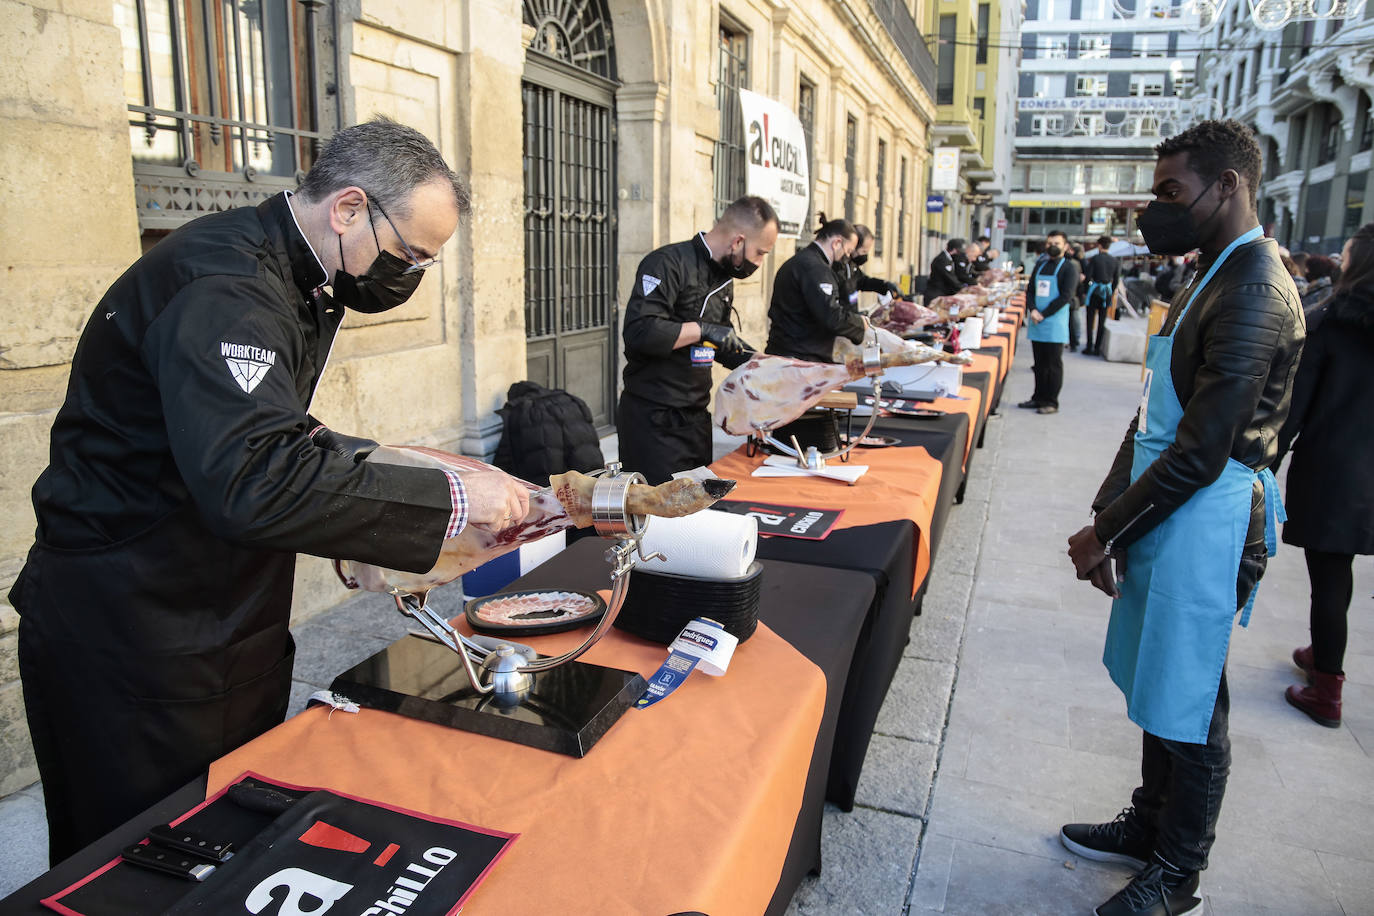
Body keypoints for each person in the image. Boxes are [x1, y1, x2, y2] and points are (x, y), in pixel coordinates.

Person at [12, 117, 535, 863]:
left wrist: (398, 477)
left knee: (225, 838)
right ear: (349, 207)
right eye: (410, 253)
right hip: (133, 624)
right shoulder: (227, 285)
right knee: (138, 858)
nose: (412, 274)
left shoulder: (300, 276)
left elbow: (275, 428)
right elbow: (252, 479)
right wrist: (449, 507)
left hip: (216, 609)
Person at [1064, 119, 1304, 916]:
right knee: (1158, 677)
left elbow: (1201, 451)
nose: (1156, 208)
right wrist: (1109, 505)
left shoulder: (1256, 289)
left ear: (1228, 186)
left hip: (1211, 513)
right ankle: (1149, 821)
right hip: (1169, 506)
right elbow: (1152, 413)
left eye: (1171, 192)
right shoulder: (1208, 273)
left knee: (1195, 696)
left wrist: (1108, 532)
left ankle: (1178, 872)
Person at [1273, 222, 1374, 728]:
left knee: (1330, 579)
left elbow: (1294, 409)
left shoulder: (1333, 323)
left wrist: (1264, 464)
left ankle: (1327, 689)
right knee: (1339, 574)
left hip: (1337, 472)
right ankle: (1322, 654)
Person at [617, 196, 780, 484]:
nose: (759, 262)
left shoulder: (724, 280)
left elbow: (725, 344)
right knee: (659, 519)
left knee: (696, 515)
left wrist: (766, 365)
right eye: (761, 252)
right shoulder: (666, 263)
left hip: (695, 421)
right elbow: (640, 333)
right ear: (738, 241)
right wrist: (703, 329)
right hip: (653, 420)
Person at [766, 216, 864, 363]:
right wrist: (861, 325)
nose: (848, 257)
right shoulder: (815, 268)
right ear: (837, 243)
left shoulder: (807, 262)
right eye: (848, 251)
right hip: (797, 358)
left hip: (793, 352)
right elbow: (831, 315)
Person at [1019, 230, 1079, 414]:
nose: (1052, 245)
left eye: (1057, 243)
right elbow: (1030, 291)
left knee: (1053, 364)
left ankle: (1051, 401)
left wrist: (1043, 313)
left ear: (1065, 246)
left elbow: (1066, 296)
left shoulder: (1069, 268)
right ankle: (1037, 397)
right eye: (1050, 242)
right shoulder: (1040, 265)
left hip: (1054, 322)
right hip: (1037, 321)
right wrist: (1032, 309)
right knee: (1039, 363)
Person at [834, 221, 902, 310]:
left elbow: (862, 281)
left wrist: (885, 285)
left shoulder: (852, 265)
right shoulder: (838, 266)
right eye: (863, 251)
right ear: (854, 246)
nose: (865, 256)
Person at [1083, 235, 1121, 356]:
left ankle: (1089, 346)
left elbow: (1088, 276)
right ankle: (1097, 348)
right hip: (1107, 293)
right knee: (1102, 321)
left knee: (1090, 320)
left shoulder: (1095, 259)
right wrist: (1111, 290)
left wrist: (1086, 290)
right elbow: (1116, 279)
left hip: (1094, 291)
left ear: (1099, 245)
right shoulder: (1115, 260)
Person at [925, 237, 973, 302]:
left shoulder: (947, 259)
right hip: (936, 295)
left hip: (940, 293)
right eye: (958, 251)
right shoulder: (943, 260)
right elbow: (951, 278)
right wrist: (964, 289)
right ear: (954, 250)